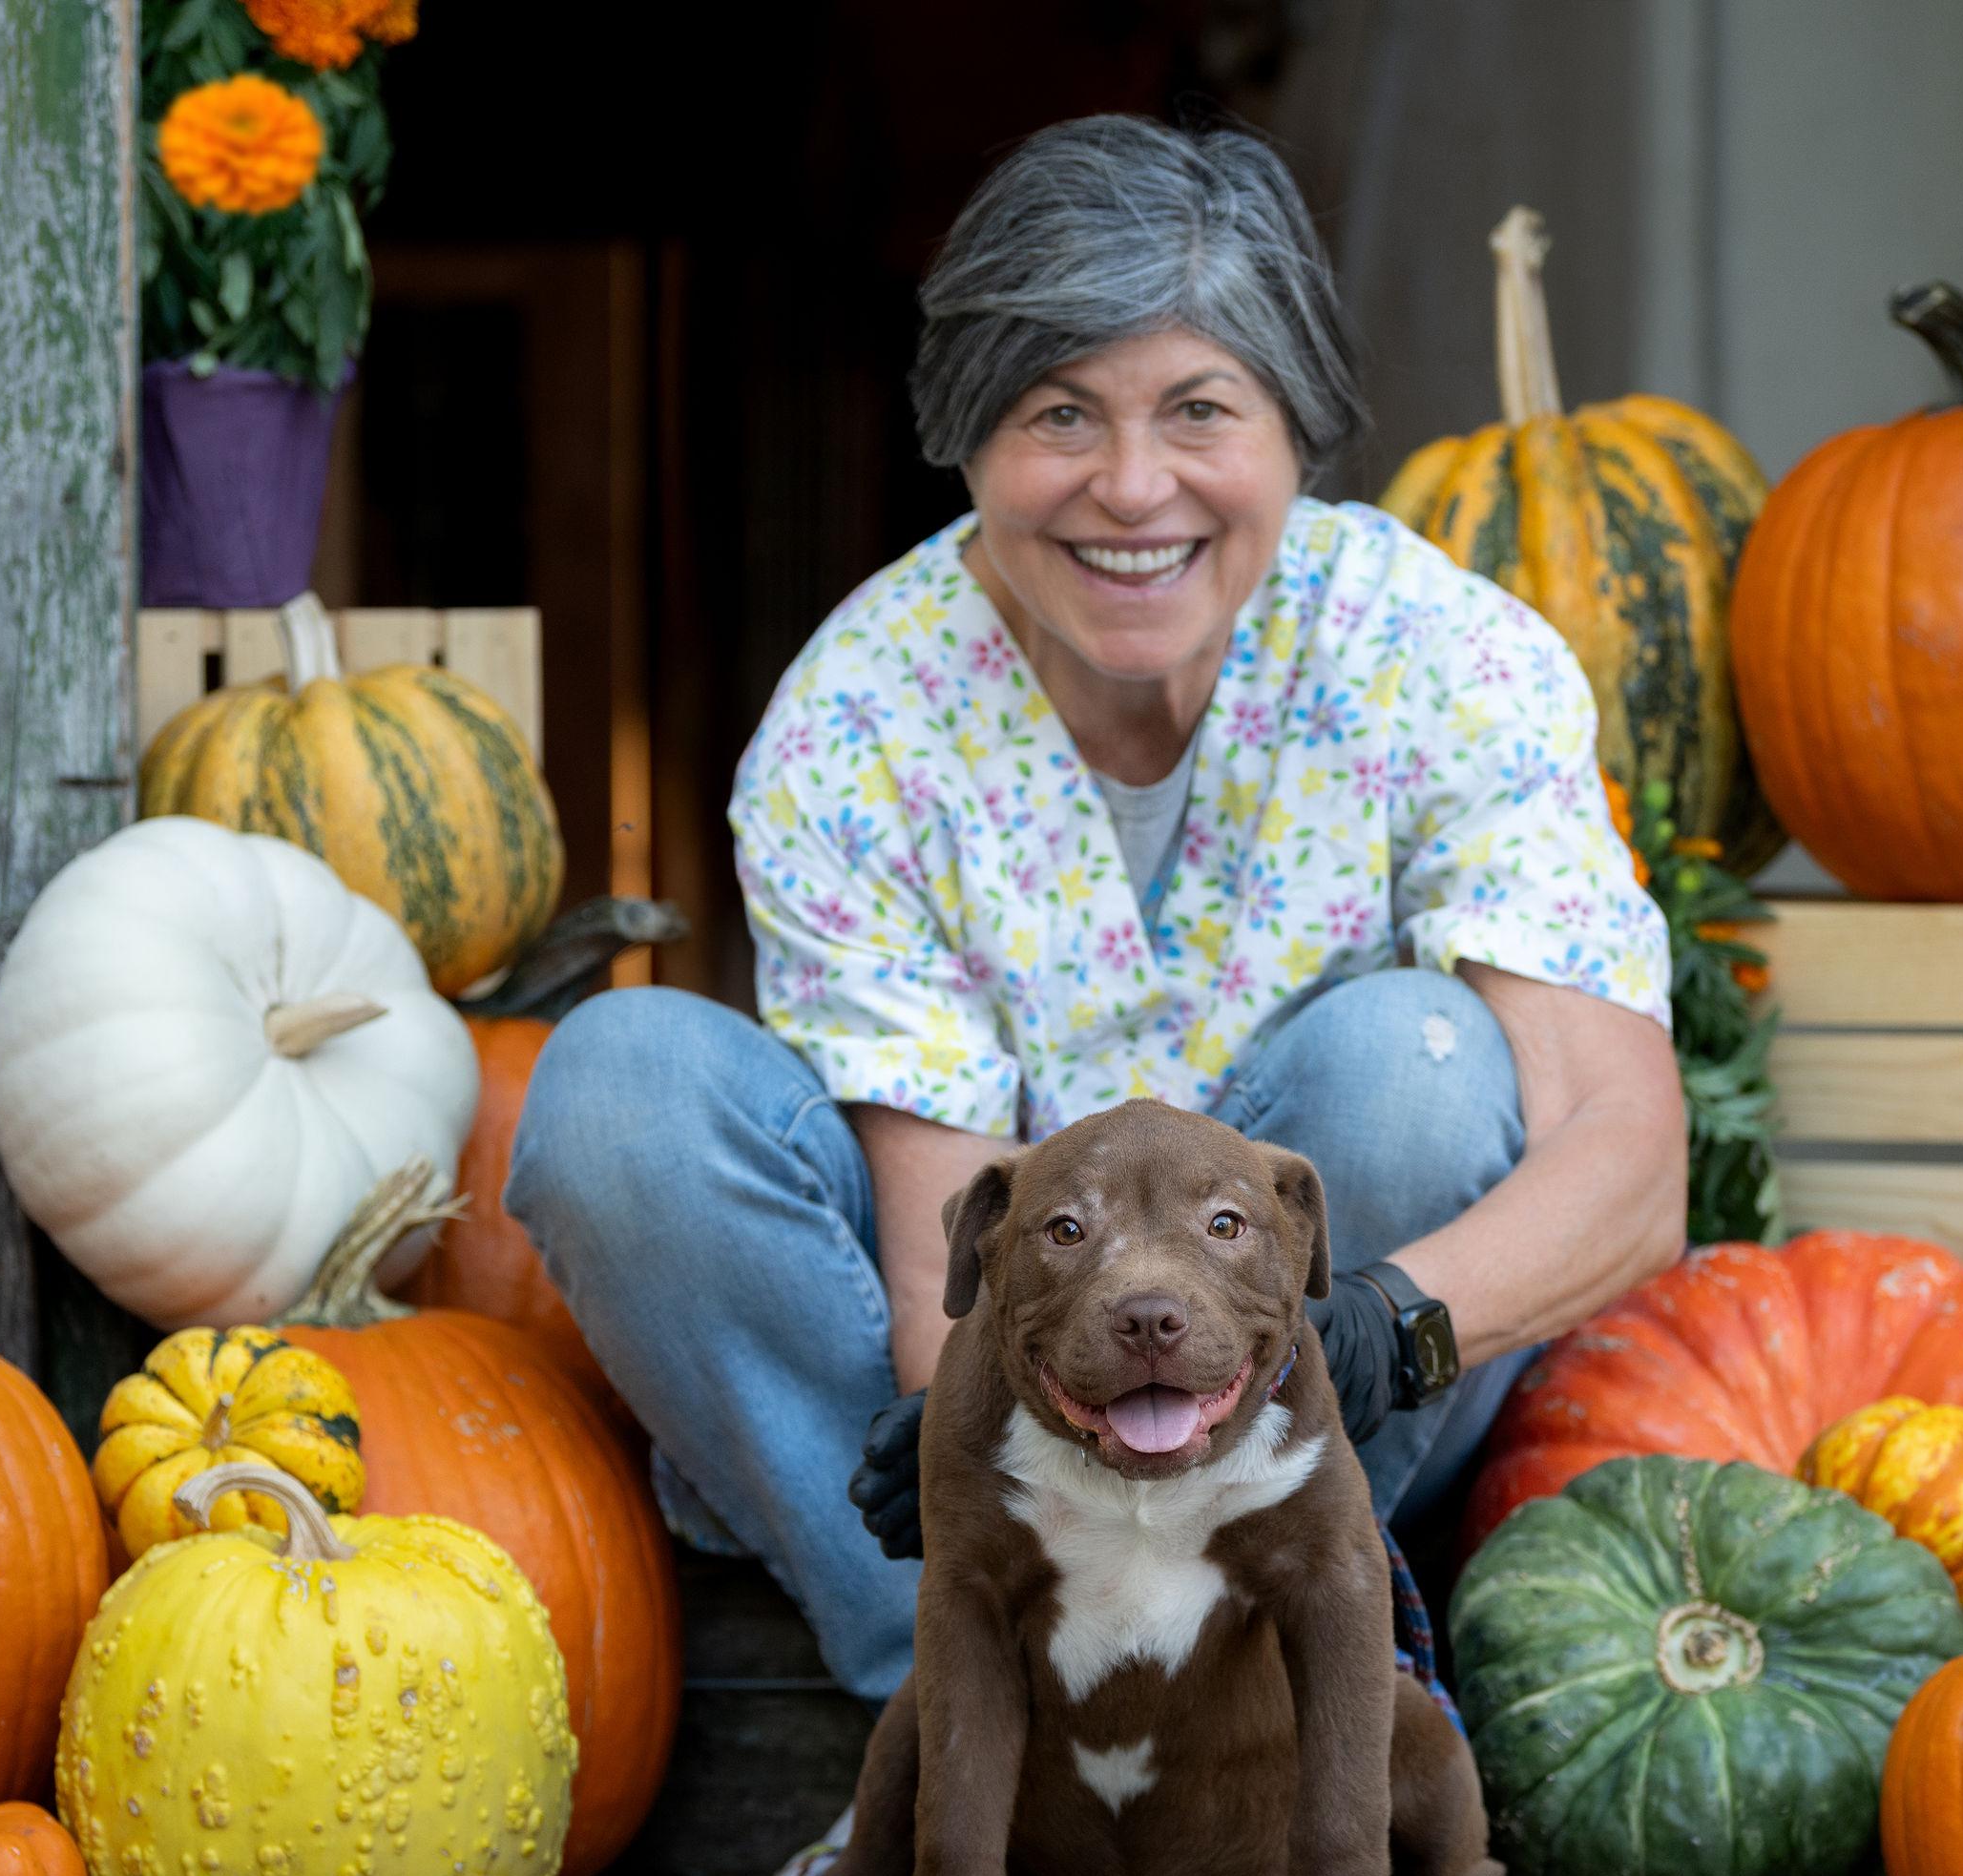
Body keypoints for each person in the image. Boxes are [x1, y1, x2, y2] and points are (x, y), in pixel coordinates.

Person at [509, 115, 1683, 1711]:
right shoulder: (861, 717)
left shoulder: (1440, 655)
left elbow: (1628, 1163)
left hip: (1331, 1429)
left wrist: (1382, 1328)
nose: (1134, 490)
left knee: (1408, 1056)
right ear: (968, 430)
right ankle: (962, 1715)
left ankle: (1281, 1674)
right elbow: (954, 1282)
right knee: (618, 1092)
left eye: (1201, 409)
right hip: (1006, 1419)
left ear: (1297, 430)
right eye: (1062, 413)